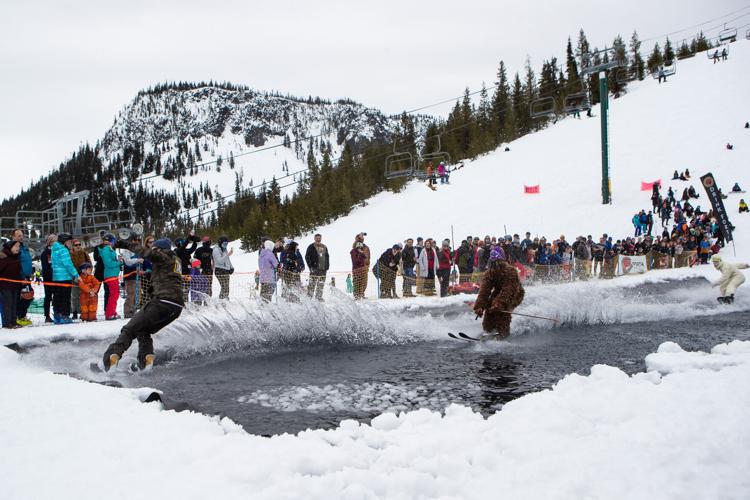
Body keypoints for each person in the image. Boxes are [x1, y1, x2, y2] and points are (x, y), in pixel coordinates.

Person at [102, 238, 184, 371]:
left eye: (154, 248)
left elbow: (145, 252)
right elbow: (168, 277)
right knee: (143, 330)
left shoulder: (164, 256)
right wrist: (149, 275)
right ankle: (145, 361)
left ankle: (110, 360)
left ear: (159, 249)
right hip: (176, 307)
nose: (152, 250)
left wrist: (125, 244)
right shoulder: (175, 260)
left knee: (129, 329)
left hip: (161, 302)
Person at [473, 248, 525, 339]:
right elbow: (484, 290)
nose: (495, 264)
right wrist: (480, 306)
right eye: (492, 262)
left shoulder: (511, 272)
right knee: (490, 307)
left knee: (501, 310)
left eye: (497, 261)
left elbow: (508, 291)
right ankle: (488, 329)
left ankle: (503, 332)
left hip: (515, 293)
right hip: (499, 290)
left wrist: (498, 304)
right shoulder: (489, 273)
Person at [50, 233, 80, 324]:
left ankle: (57, 316)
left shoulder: (54, 249)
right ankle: (65, 316)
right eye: (69, 241)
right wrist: (76, 275)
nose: (70, 243)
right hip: (64, 277)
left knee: (57, 297)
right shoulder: (63, 250)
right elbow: (68, 264)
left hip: (56, 277)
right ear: (65, 241)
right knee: (65, 297)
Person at [10, 229, 33, 326]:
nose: (21, 237)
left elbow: (26, 261)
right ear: (13, 237)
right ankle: (18, 316)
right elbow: (16, 264)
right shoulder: (13, 248)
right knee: (21, 298)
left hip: (27, 277)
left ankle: (22, 316)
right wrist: (22, 277)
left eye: (22, 235)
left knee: (29, 295)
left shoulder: (24, 247)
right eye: (18, 235)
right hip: (19, 277)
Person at [120, 236, 143, 318]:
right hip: (130, 276)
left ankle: (134, 310)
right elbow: (128, 262)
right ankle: (128, 312)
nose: (136, 242)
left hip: (137, 275)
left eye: (137, 240)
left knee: (138, 294)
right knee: (131, 294)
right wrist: (137, 260)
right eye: (134, 240)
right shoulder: (126, 250)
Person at [99, 234, 122, 320]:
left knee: (114, 294)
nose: (114, 243)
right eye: (114, 241)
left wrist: (118, 260)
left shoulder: (109, 250)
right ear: (111, 241)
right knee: (114, 294)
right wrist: (119, 263)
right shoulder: (106, 250)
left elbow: (111, 261)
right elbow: (108, 263)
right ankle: (109, 313)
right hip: (110, 275)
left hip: (113, 275)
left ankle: (112, 312)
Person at [0, 240, 21, 329]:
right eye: (16, 246)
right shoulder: (3, 257)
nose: (18, 248)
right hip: (5, 286)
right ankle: (7, 323)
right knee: (7, 304)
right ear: (10, 247)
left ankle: (13, 321)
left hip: (14, 285)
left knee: (14, 303)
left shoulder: (16, 257)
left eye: (19, 246)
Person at [68, 239, 90, 320]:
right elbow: (69, 266)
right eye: (76, 245)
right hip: (74, 277)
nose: (78, 246)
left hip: (83, 277)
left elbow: (89, 264)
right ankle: (74, 312)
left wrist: (87, 273)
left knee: (83, 295)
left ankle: (82, 312)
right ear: (73, 246)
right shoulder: (70, 254)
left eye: (79, 244)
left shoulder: (84, 253)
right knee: (74, 296)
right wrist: (74, 275)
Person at [305, 234, 329, 301]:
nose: (318, 239)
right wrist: (310, 266)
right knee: (312, 283)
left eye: (319, 238)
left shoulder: (324, 247)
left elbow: (327, 256)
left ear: (321, 238)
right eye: (317, 238)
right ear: (314, 238)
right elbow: (307, 257)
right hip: (314, 268)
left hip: (323, 269)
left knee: (321, 284)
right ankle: (309, 297)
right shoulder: (311, 246)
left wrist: (327, 266)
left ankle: (318, 297)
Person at [40, 234, 56, 322]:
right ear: (49, 242)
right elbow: (45, 267)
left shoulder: (57, 252)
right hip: (49, 279)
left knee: (57, 297)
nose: (55, 243)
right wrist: (52, 275)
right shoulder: (45, 253)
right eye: (53, 241)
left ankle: (57, 313)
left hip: (57, 278)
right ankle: (47, 315)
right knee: (48, 297)